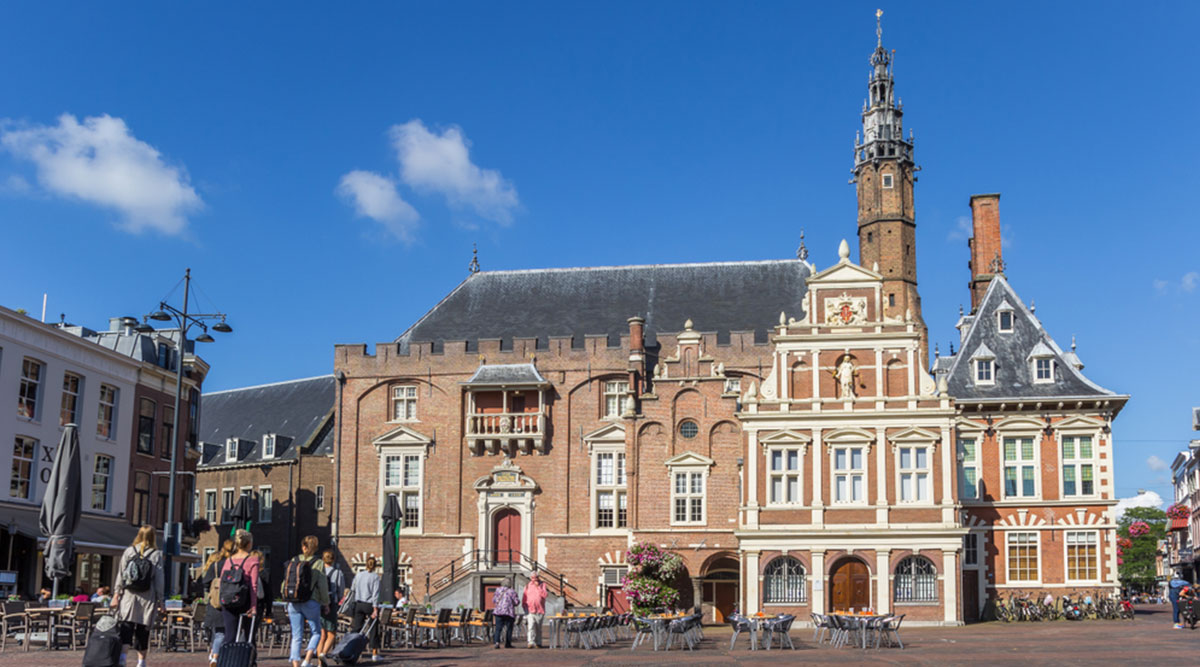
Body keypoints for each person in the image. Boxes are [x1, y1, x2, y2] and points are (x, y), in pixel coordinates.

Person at [111, 524, 164, 667]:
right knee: (143, 629)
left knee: (126, 627)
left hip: (129, 595)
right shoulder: (156, 554)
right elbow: (159, 579)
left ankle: (123, 657)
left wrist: (116, 594)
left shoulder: (129, 551)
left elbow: (121, 574)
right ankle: (141, 662)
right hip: (147, 596)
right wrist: (161, 600)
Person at [284, 535, 329, 667]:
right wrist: (325, 603)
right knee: (316, 631)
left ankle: (295, 664)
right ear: (315, 547)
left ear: (303, 546)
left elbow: (285, 582)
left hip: (293, 601)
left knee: (296, 635)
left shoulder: (294, 560)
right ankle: (307, 660)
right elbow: (322, 585)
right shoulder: (318, 563)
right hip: (311, 600)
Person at [219, 530, 261, 652]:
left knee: (229, 637)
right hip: (245, 601)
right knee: (249, 637)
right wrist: (253, 606)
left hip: (227, 601)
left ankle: (225, 661)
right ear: (249, 543)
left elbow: (222, 582)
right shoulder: (253, 560)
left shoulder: (229, 560)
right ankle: (248, 662)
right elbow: (253, 585)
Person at [201, 540, 233, 667]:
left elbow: (204, 582)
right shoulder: (233, 565)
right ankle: (215, 656)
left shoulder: (215, 565)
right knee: (222, 632)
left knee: (217, 631)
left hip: (214, 601)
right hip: (229, 601)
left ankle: (214, 653)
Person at [347, 557, 381, 662]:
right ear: (375, 565)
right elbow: (375, 594)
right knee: (374, 627)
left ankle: (352, 650)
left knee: (357, 628)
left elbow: (352, 588)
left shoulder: (359, 575)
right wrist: (375, 609)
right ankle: (374, 653)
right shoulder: (375, 577)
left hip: (359, 604)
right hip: (369, 604)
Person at [316, 549, 346, 663]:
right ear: (333, 559)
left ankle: (320, 663)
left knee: (321, 636)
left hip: (318, 604)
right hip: (331, 604)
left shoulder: (318, 572)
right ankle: (323, 654)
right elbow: (341, 591)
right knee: (332, 634)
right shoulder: (338, 573)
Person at [492, 577, 520, 649]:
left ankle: (497, 642)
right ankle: (507, 643)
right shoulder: (512, 591)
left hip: (498, 612)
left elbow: (494, 600)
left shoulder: (498, 590)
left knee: (498, 628)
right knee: (509, 628)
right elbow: (516, 602)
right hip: (508, 612)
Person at [522, 571, 548, 649]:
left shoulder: (543, 585)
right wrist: (524, 606)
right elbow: (524, 597)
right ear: (530, 578)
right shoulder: (527, 586)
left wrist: (538, 587)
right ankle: (530, 642)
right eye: (533, 578)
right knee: (531, 626)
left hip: (540, 609)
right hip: (530, 609)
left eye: (536, 577)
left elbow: (545, 595)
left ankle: (538, 642)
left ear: (538, 577)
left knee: (538, 628)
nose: (534, 579)